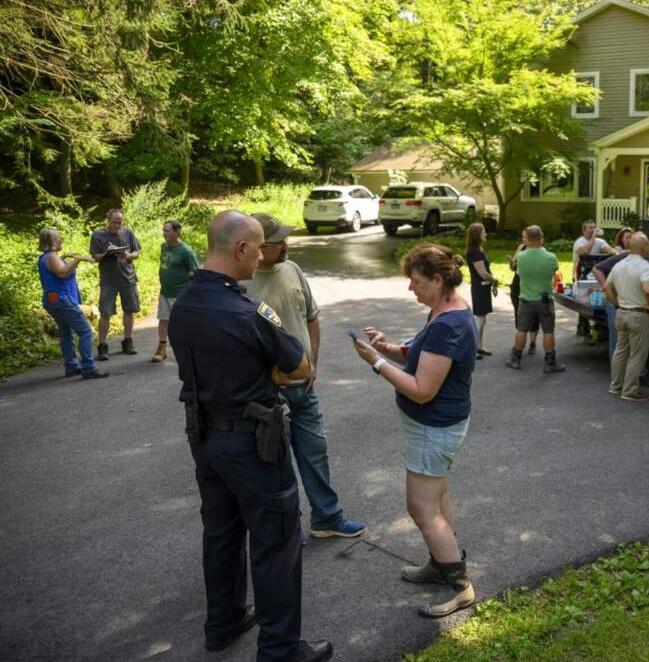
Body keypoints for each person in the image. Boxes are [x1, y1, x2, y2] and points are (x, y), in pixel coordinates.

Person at [168, 210, 332, 662]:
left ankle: (222, 624)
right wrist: (270, 371)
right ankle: (281, 649)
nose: (262, 256)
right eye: (258, 248)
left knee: (219, 533)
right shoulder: (248, 311)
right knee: (275, 540)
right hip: (254, 443)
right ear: (240, 249)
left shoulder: (183, 305)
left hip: (204, 438)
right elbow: (299, 365)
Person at [350, 244, 477, 618]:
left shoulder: (449, 325)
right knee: (435, 500)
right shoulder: (447, 309)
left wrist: (376, 362)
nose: (411, 289)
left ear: (438, 280)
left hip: (432, 428)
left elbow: (422, 390)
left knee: (421, 508)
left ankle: (460, 586)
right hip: (436, 427)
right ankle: (442, 563)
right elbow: (420, 354)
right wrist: (387, 347)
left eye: (416, 281)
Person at [242, 213, 366, 541]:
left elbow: (312, 318)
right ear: (256, 247)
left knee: (315, 453)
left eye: (285, 238)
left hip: (304, 387)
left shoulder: (293, 269)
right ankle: (286, 527)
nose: (286, 245)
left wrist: (313, 363)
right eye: (277, 241)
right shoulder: (242, 283)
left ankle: (327, 517)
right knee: (275, 464)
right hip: (269, 394)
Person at [36, 228, 108, 379]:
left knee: (66, 333)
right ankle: (88, 368)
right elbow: (62, 272)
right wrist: (78, 259)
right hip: (61, 301)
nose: (61, 240)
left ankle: (71, 367)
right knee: (86, 331)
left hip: (53, 300)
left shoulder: (47, 257)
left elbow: (54, 269)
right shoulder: (51, 257)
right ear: (50, 243)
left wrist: (64, 257)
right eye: (57, 239)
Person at [505, 226, 565, 373]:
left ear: (527, 238)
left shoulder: (521, 257)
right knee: (548, 331)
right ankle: (550, 362)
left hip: (525, 299)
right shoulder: (551, 257)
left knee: (522, 329)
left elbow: (517, 271)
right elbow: (554, 271)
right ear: (542, 237)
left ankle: (516, 358)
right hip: (544, 299)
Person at [592, 240, 649, 361]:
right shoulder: (622, 258)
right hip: (622, 304)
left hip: (639, 307)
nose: (648, 248)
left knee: (637, 346)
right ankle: (622, 375)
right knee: (619, 344)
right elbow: (597, 269)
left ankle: (633, 374)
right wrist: (612, 297)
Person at [605, 233, 649, 402]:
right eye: (648, 246)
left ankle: (616, 385)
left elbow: (606, 286)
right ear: (643, 248)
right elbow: (648, 289)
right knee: (637, 354)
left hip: (621, 313)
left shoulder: (619, 264)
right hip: (638, 314)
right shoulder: (644, 265)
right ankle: (629, 390)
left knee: (620, 351)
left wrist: (616, 302)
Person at [89, 208, 141, 360]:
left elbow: (136, 252)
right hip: (108, 280)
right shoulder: (98, 235)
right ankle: (103, 345)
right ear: (108, 221)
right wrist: (106, 253)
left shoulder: (128, 233)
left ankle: (128, 341)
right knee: (105, 312)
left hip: (128, 278)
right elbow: (94, 256)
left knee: (129, 310)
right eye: (115, 223)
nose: (118, 226)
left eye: (120, 222)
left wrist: (128, 255)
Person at [152, 220, 199, 363]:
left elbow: (196, 273)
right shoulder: (164, 247)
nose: (164, 233)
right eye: (164, 230)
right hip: (165, 291)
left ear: (177, 232)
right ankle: (162, 348)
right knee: (163, 319)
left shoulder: (186, 251)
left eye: (167, 231)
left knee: (182, 324)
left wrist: (189, 293)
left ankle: (190, 351)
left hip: (179, 294)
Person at [572, 220, 614, 336]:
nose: (593, 229)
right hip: (581, 273)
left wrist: (613, 252)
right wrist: (593, 237)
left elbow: (609, 250)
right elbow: (584, 251)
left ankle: (598, 325)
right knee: (583, 300)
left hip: (595, 273)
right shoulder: (579, 242)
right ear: (584, 230)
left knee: (595, 298)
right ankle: (582, 326)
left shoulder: (600, 241)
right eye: (590, 228)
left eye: (594, 227)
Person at [464, 223, 498, 360]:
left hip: (484, 287)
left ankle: (480, 346)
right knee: (480, 320)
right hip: (480, 287)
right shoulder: (474, 251)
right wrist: (494, 280)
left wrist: (493, 282)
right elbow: (483, 274)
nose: (486, 234)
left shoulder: (479, 249)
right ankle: (473, 349)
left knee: (482, 318)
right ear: (478, 234)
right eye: (484, 232)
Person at [506, 243, 538, 355]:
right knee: (518, 314)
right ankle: (519, 343)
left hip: (532, 286)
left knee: (534, 315)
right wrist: (511, 261)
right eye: (523, 237)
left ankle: (532, 344)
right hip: (518, 285)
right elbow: (513, 268)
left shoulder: (539, 249)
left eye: (526, 236)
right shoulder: (521, 247)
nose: (524, 239)